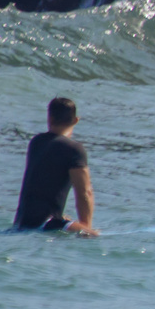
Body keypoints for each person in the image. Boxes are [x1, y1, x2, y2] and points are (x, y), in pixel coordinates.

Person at [12, 96, 97, 233]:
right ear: (76, 121)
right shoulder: (74, 149)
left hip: (21, 224)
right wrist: (86, 229)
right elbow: (84, 192)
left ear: (49, 119)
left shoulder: (36, 142)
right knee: (91, 234)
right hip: (45, 225)